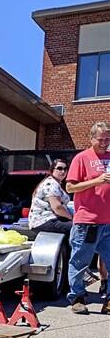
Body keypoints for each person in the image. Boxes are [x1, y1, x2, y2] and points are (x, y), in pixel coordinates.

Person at [65, 122, 110, 314]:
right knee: (79, 261)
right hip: (87, 221)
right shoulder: (82, 158)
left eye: (107, 139)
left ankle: (108, 299)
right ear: (91, 139)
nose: (104, 143)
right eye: (100, 139)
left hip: (108, 222)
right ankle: (77, 298)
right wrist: (97, 180)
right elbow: (70, 188)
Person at [29, 159, 72, 237]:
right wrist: (71, 217)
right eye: (59, 168)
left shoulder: (56, 183)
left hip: (51, 219)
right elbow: (57, 207)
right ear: (52, 170)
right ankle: (78, 249)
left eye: (65, 169)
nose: (63, 171)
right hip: (44, 220)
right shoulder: (51, 184)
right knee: (77, 228)